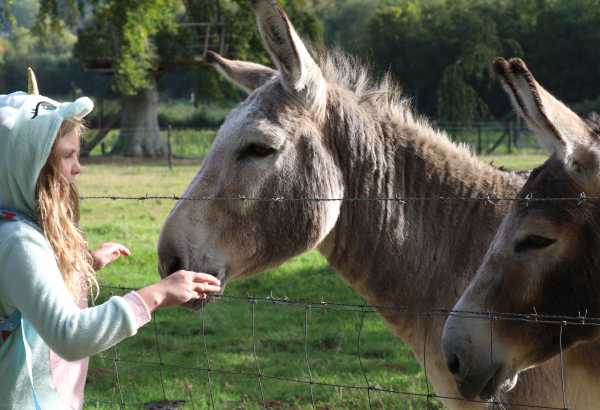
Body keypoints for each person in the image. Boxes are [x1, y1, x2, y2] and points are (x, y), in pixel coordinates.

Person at [0, 69, 222, 410]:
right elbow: (70, 335)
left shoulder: (9, 228)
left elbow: (25, 288)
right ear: (29, 164)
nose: (78, 168)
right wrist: (156, 295)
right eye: (67, 155)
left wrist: (85, 262)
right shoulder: (18, 242)